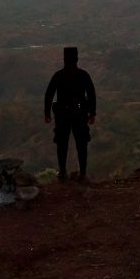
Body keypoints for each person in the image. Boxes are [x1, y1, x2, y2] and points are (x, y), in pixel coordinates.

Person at [44, 47, 96, 183]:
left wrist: (47, 113)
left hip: (62, 115)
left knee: (62, 144)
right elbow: (91, 95)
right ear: (77, 59)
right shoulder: (83, 75)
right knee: (81, 144)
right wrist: (92, 113)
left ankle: (62, 173)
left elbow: (49, 94)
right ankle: (83, 174)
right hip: (79, 114)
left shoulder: (58, 75)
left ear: (64, 59)